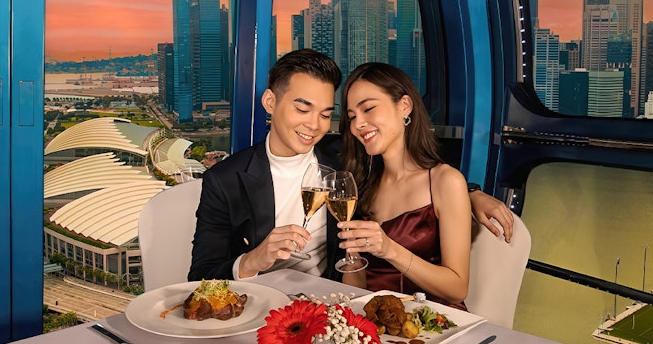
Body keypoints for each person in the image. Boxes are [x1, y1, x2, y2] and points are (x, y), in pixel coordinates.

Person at [188, 49, 513, 282]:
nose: (314, 125)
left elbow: (409, 172)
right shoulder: (224, 180)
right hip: (257, 313)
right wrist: (253, 260)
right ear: (271, 102)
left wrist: (470, 195)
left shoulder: (344, 158)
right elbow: (199, 276)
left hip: (331, 305)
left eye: (326, 114)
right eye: (303, 108)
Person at [334, 62, 470, 307]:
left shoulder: (445, 181)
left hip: (433, 325)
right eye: (352, 116)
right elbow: (355, 283)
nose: (358, 124)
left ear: (404, 106)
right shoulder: (361, 184)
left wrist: (389, 249)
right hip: (373, 324)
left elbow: (458, 289)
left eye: (369, 109)